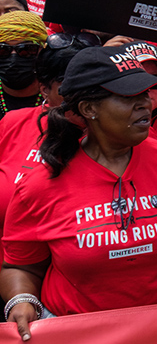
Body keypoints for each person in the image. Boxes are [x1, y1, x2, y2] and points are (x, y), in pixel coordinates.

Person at [2, 46, 157, 338]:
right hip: (80, 341)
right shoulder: (41, 185)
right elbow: (20, 267)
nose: (144, 104)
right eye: (128, 97)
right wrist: (21, 300)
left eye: (145, 94)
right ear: (89, 109)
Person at [0, 34, 98, 256]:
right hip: (10, 269)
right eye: (69, 84)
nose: (84, 92)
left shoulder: (118, 129)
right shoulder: (13, 123)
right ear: (45, 89)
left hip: (84, 271)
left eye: (92, 82)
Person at [0, 11, 47, 120]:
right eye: (2, 50)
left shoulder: (58, 97)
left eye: (26, 49)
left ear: (43, 50)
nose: (13, 57)